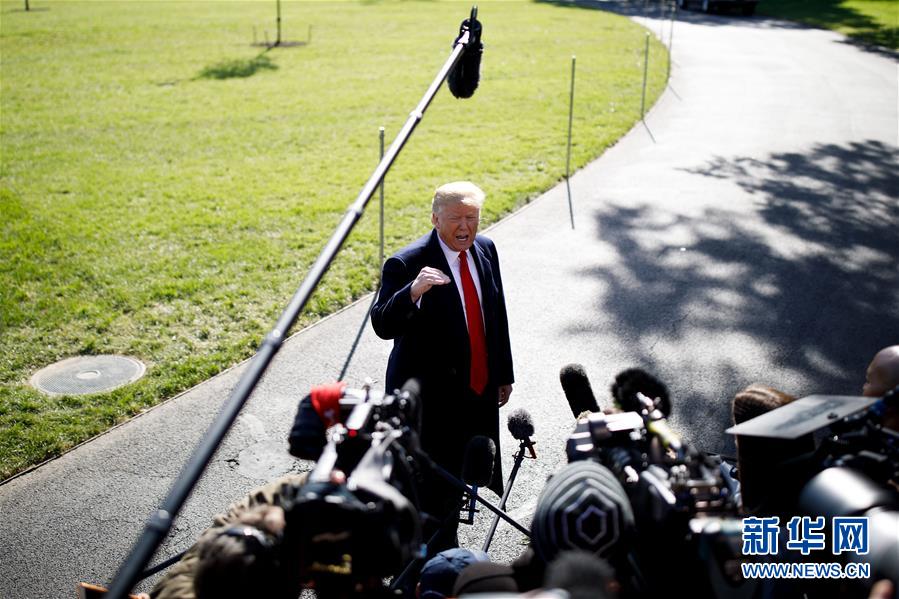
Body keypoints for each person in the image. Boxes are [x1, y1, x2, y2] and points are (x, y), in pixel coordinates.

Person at [371, 181, 514, 550]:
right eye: (455, 218)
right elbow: (383, 325)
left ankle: (443, 547)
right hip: (431, 401)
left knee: (464, 474)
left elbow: (495, 315)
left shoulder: (485, 249)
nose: (465, 226)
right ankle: (428, 561)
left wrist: (503, 374)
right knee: (429, 490)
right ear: (435, 219)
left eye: (472, 217)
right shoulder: (406, 263)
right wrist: (412, 292)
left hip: (475, 389)